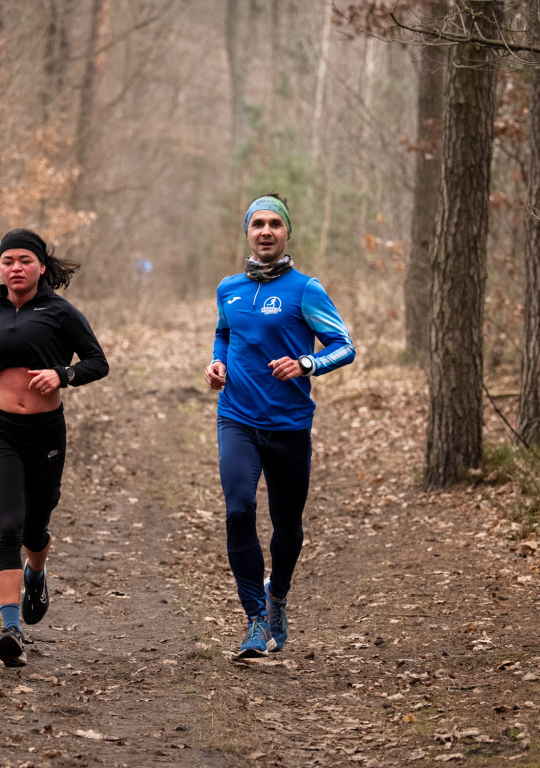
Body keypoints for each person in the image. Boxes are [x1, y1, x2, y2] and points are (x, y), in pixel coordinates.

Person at [0, 228, 109, 667]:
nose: (16, 267)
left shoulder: (60, 312)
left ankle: (37, 571)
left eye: (25, 261)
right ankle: (10, 629)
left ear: (40, 266)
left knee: (35, 527)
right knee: (8, 524)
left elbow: (97, 362)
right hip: (0, 430)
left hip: (46, 433)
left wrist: (62, 374)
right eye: (8, 260)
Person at [204, 194, 355, 660]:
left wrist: (307, 362)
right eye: (257, 224)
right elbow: (225, 331)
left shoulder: (305, 289)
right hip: (237, 418)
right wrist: (216, 362)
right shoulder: (229, 287)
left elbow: (343, 345)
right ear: (247, 232)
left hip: (288, 424)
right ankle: (254, 619)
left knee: (287, 526)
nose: (265, 231)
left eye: (274, 224)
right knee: (238, 509)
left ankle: (279, 594)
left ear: (287, 232)